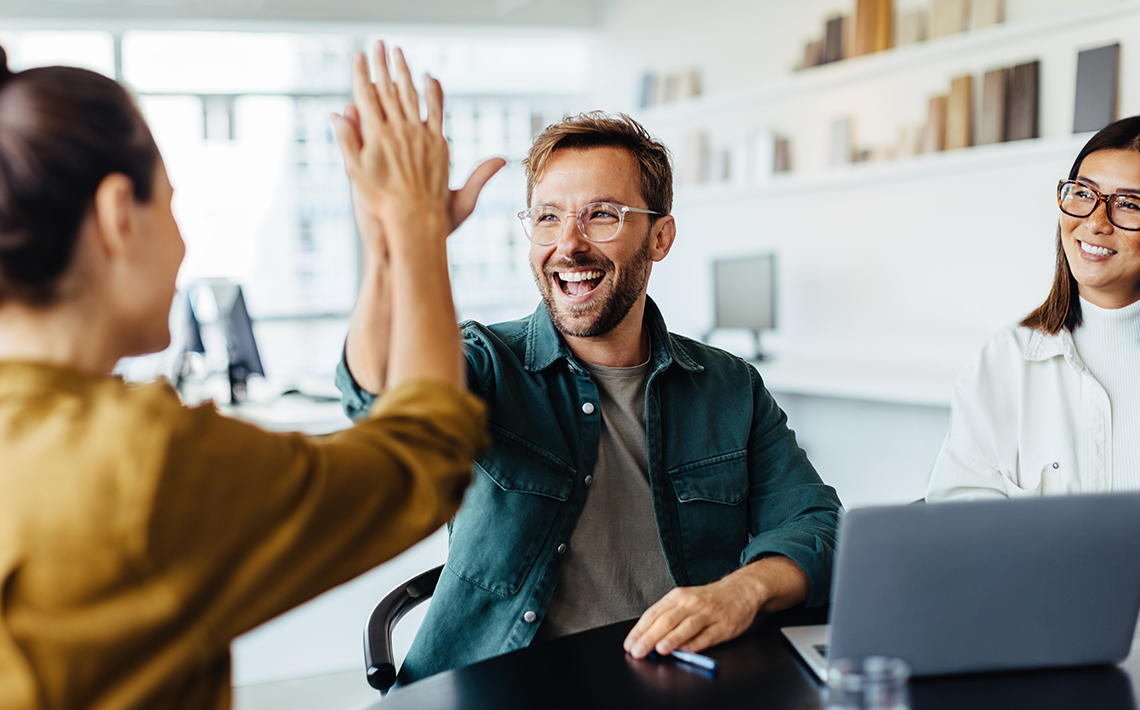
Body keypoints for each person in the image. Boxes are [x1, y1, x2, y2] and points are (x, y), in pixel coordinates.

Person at [0, 43, 494, 709]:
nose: (183, 245)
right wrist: (416, 226)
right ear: (120, 215)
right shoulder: (136, 461)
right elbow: (423, 457)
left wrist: (388, 251)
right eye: (171, 207)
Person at [337, 110, 842, 684]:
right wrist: (392, 247)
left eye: (601, 215)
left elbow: (819, 525)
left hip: (673, 685)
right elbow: (377, 395)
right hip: (497, 689)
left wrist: (743, 591)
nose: (568, 245)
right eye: (548, 217)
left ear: (660, 238)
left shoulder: (729, 386)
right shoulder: (485, 364)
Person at [926, 116, 1140, 501]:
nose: (1094, 222)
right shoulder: (1002, 363)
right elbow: (961, 526)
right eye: (1083, 194)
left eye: (1128, 203)